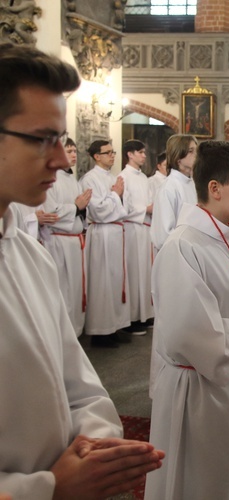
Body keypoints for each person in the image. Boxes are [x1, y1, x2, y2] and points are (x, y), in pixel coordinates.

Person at [0, 42, 164, 500]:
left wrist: (95, 438)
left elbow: (77, 381)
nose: (59, 159)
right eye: (41, 139)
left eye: (62, 139)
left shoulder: (28, 255)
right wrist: (47, 489)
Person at [146, 140, 229, 500]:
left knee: (227, 480)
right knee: (198, 483)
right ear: (215, 189)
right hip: (198, 393)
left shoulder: (226, 237)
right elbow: (189, 334)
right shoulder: (184, 246)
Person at [80, 139, 133, 348]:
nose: (112, 155)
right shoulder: (89, 179)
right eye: (108, 152)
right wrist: (115, 195)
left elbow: (124, 207)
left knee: (115, 280)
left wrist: (117, 197)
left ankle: (113, 327)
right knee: (102, 282)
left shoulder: (113, 177)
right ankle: (99, 332)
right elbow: (98, 210)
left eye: (113, 151)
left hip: (116, 232)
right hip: (101, 234)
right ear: (96, 156)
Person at [40, 137, 91, 336]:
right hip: (59, 242)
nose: (72, 155)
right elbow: (50, 212)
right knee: (63, 291)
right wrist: (76, 207)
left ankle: (76, 332)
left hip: (76, 241)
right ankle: (62, 335)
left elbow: (82, 209)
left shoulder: (74, 180)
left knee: (76, 290)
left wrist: (82, 209)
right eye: (68, 151)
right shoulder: (50, 178)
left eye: (74, 151)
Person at [119, 139, 154, 331]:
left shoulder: (142, 178)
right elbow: (125, 207)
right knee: (134, 273)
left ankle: (145, 314)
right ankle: (133, 318)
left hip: (145, 228)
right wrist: (146, 209)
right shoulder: (123, 177)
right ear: (130, 154)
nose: (143, 155)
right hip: (132, 228)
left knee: (145, 272)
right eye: (140, 152)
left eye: (144, 152)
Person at [149, 134, 197, 252]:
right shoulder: (169, 188)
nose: (196, 155)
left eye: (196, 150)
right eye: (191, 151)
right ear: (178, 157)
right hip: (175, 253)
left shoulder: (192, 184)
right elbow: (164, 234)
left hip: (192, 249)